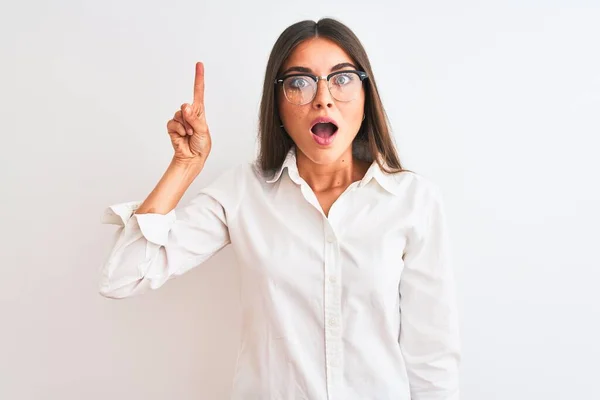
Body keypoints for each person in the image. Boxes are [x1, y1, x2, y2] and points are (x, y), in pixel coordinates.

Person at [99, 18, 460, 400]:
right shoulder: (243, 192)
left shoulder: (413, 200)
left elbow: (432, 359)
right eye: (300, 83)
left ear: (366, 95)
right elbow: (121, 278)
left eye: (341, 78)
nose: (323, 97)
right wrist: (184, 166)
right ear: (278, 107)